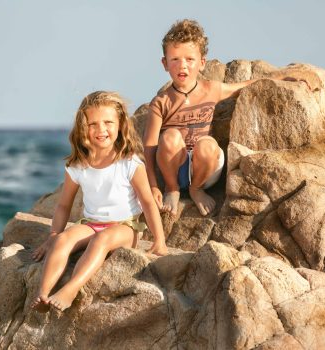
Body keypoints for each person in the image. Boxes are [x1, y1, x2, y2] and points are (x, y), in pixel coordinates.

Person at [143, 19, 309, 217]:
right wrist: (153, 186)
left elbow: (247, 85)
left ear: (202, 63)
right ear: (165, 63)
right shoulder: (161, 102)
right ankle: (173, 189)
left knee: (207, 144)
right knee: (169, 136)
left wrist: (284, 77)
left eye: (189, 59)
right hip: (174, 167)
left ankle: (196, 189)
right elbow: (150, 147)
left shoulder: (211, 89)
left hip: (204, 167)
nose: (183, 66)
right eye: (175, 59)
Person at [31, 91, 168, 312]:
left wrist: (159, 241)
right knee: (63, 240)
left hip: (126, 227)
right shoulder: (77, 166)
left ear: (121, 124)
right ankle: (43, 295)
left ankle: (71, 289)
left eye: (108, 122)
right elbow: (64, 205)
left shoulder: (129, 163)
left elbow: (148, 202)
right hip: (90, 223)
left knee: (101, 241)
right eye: (93, 124)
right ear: (83, 127)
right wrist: (53, 236)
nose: (101, 129)